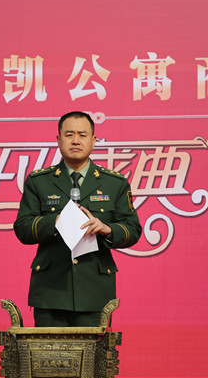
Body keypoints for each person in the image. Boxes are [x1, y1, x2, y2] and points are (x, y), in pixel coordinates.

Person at [13, 111, 142, 327]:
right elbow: (23, 228)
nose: (75, 141)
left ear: (93, 140)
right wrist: (55, 222)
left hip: (96, 290)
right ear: (58, 140)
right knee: (49, 350)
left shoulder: (114, 183)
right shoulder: (38, 181)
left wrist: (107, 229)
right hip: (50, 291)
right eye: (69, 134)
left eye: (82, 135)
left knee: (95, 350)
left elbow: (133, 230)